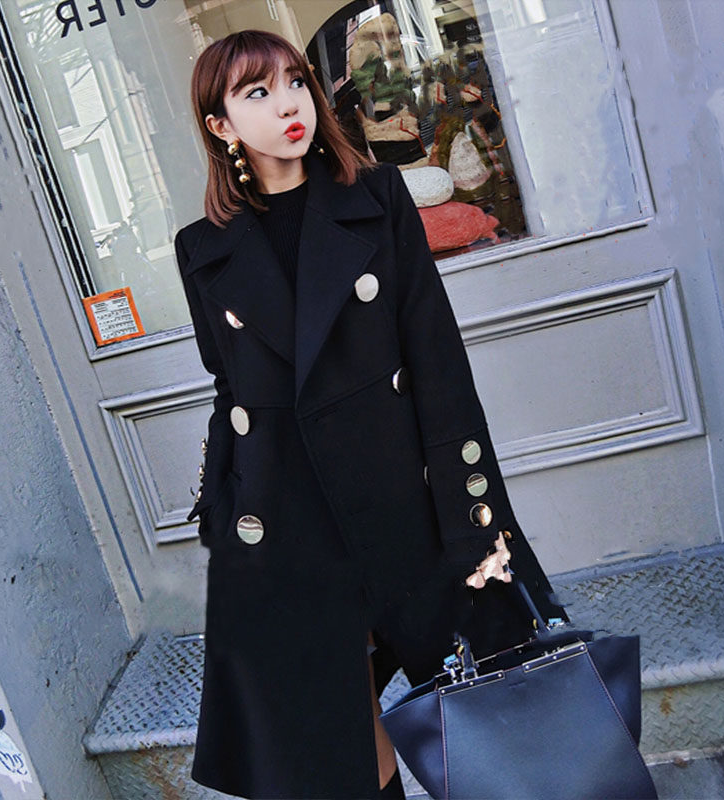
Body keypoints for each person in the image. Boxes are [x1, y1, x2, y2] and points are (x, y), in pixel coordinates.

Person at [174, 29, 567, 800]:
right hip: (291, 520)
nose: (289, 103)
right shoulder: (202, 248)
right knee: (338, 740)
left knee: (497, 715)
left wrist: (473, 524)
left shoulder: (377, 199)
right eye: (258, 92)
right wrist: (223, 508)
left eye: (295, 81)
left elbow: (438, 367)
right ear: (221, 126)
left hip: (406, 506)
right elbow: (231, 387)